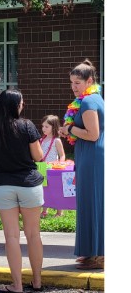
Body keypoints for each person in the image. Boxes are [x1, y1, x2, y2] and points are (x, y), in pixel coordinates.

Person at [0, 89, 44, 293]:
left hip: (3, 184)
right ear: (16, 105)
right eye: (21, 102)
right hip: (29, 183)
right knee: (33, 234)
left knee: (11, 237)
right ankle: (37, 281)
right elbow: (38, 155)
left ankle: (16, 284)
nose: (23, 105)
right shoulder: (27, 126)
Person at [58, 59, 103, 268]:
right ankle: (90, 252)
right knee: (88, 203)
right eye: (72, 83)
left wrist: (69, 129)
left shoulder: (89, 102)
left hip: (93, 156)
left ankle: (100, 255)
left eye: (78, 83)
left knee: (93, 203)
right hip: (89, 156)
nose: (73, 87)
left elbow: (93, 135)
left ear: (90, 81)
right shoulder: (92, 99)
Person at [38, 114, 66, 218]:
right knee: (44, 189)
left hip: (53, 169)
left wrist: (59, 165)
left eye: (46, 126)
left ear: (53, 127)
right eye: (43, 126)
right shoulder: (41, 140)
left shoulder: (56, 140)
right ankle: (45, 210)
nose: (43, 128)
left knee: (55, 189)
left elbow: (62, 155)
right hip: (42, 167)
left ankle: (59, 211)